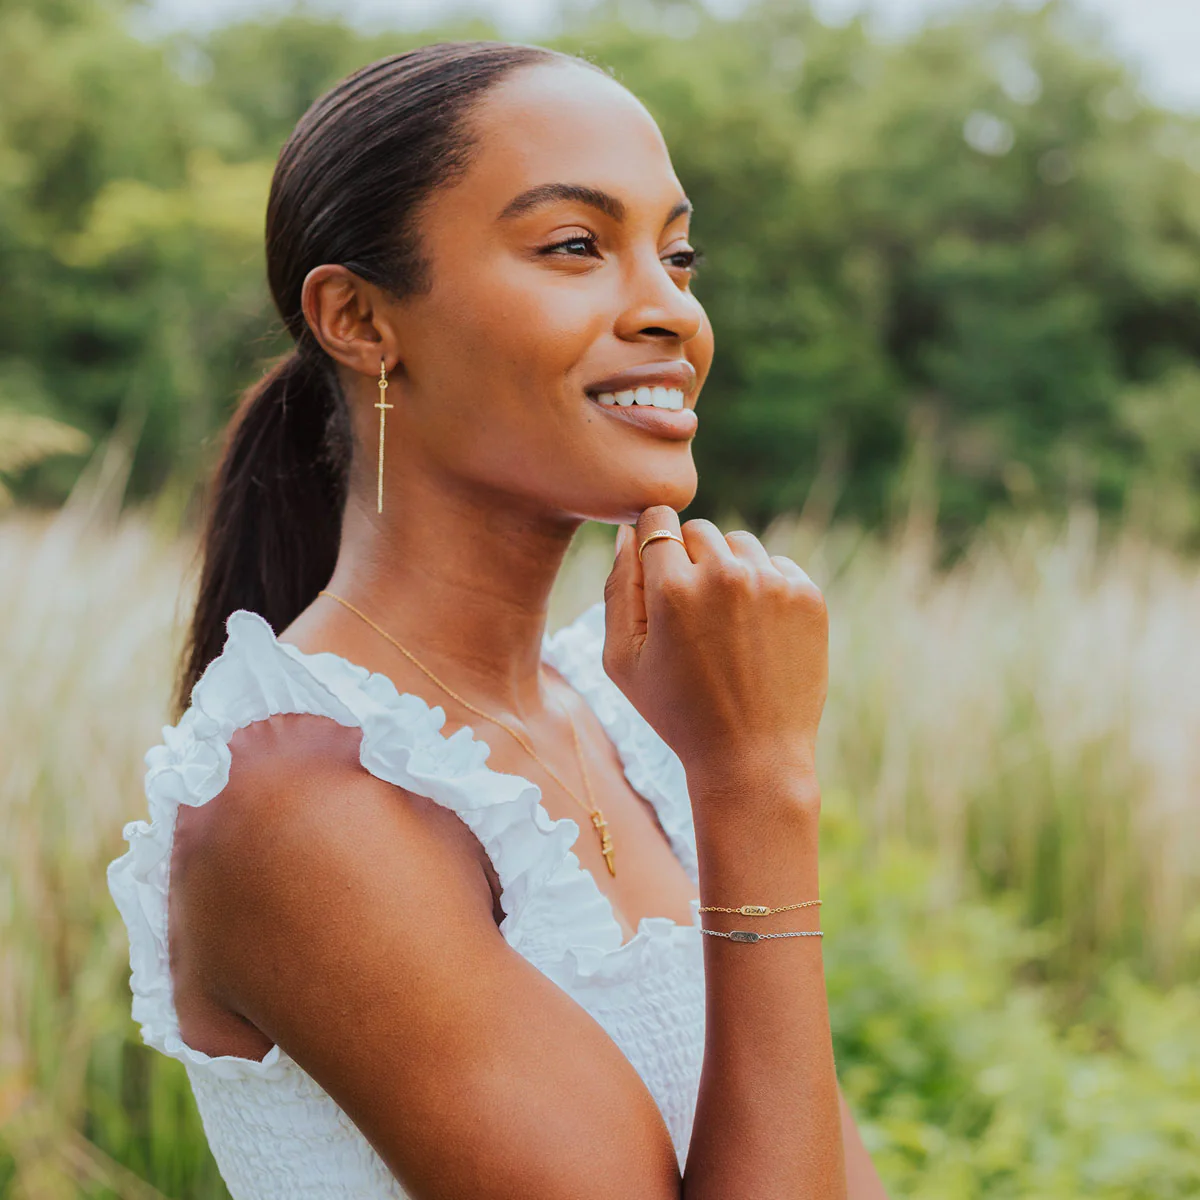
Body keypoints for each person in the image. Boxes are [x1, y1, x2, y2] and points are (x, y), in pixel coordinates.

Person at [106, 39, 888, 1199]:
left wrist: (723, 769)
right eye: (575, 245)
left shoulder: (623, 719)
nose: (669, 310)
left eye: (678, 256)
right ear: (362, 320)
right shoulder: (304, 802)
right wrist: (757, 784)